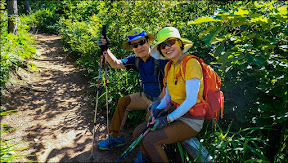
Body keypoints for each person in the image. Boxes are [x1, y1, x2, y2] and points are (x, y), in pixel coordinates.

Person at [133, 27, 205, 162]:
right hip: (174, 113)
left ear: (180, 43)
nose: (167, 47)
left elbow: (191, 100)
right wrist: (158, 110)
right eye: (162, 45)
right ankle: (149, 157)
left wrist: (167, 119)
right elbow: (168, 96)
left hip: (191, 120)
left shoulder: (191, 64)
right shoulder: (169, 66)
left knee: (149, 140)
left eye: (170, 42)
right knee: (138, 132)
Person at [96, 28, 169, 152]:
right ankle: (115, 138)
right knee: (124, 102)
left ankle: (146, 153)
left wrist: (158, 104)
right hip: (146, 96)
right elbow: (116, 64)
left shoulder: (161, 59)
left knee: (150, 117)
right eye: (135, 45)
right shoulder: (135, 59)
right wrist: (105, 49)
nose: (139, 47)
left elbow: (170, 87)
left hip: (163, 99)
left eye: (142, 42)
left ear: (149, 42)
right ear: (132, 48)